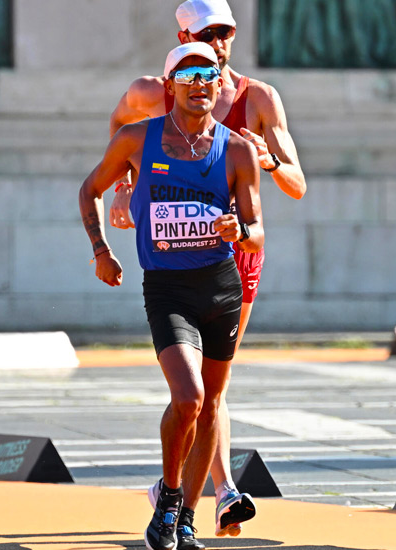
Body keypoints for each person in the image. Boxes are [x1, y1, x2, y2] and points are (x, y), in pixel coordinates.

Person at [107, 0, 307, 541]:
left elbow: (297, 183)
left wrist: (267, 161)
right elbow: (119, 128)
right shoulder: (154, 90)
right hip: (176, 259)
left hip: (238, 252)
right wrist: (123, 190)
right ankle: (220, 491)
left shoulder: (258, 98)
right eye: (206, 33)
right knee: (194, 390)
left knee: (215, 388)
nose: (218, 42)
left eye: (225, 32)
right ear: (182, 33)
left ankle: (184, 495)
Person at [78, 42, 262, 550]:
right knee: (189, 398)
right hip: (167, 288)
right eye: (190, 75)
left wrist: (238, 229)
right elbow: (89, 188)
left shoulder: (239, 149)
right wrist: (101, 251)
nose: (202, 83)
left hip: (220, 287)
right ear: (169, 87)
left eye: (210, 75)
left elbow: (258, 230)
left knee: (208, 409)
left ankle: (186, 521)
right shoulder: (139, 139)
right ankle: (169, 496)